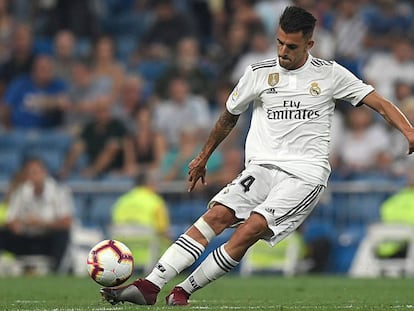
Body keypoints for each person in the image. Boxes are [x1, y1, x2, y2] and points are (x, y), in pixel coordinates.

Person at [100, 6, 414, 306]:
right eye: (279, 42)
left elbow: (380, 103)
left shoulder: (331, 74)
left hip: (305, 174)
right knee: (216, 216)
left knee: (252, 227)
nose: (282, 52)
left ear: (309, 44)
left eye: (291, 46)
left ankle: (183, 289)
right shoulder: (258, 73)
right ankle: (151, 284)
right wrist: (203, 157)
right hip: (261, 168)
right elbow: (228, 116)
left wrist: (409, 131)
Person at [1, 157, 73, 272]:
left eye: (36, 172)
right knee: (3, 233)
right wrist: (18, 225)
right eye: (30, 173)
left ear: (44, 172)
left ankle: (56, 270)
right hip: (26, 237)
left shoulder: (58, 191)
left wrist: (42, 223)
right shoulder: (21, 191)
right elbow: (10, 219)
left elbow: (67, 222)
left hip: (47, 239)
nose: (33, 176)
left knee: (62, 234)